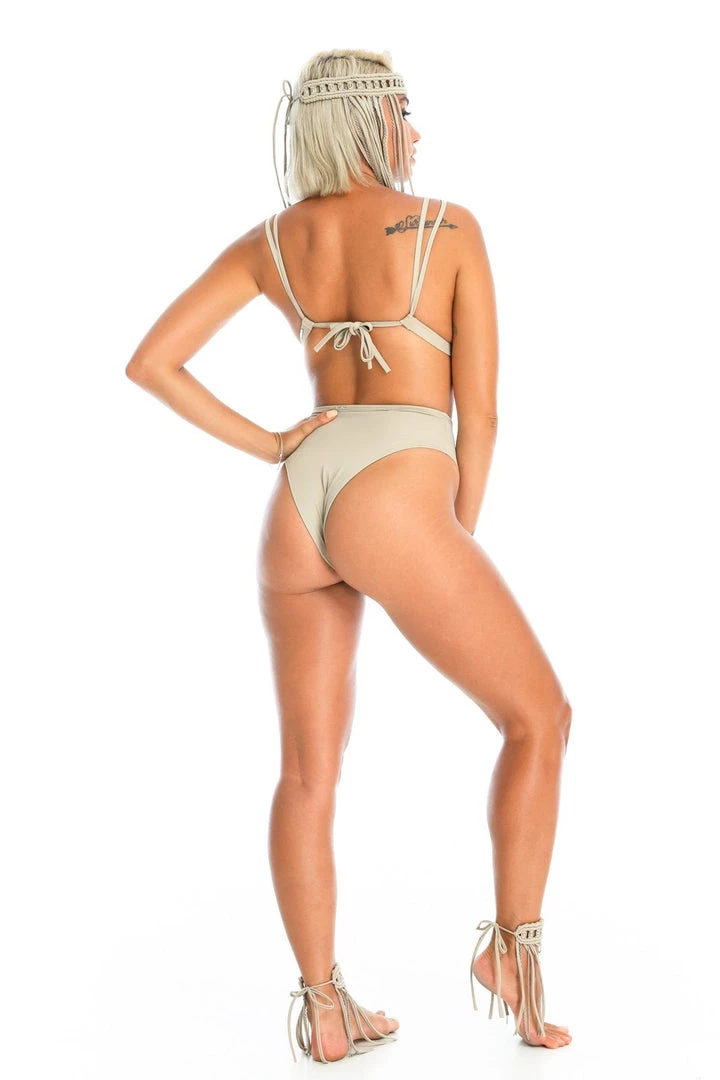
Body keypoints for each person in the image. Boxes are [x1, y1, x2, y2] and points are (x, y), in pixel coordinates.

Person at [125, 48, 573, 1064]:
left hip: (299, 502)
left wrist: (275, 445)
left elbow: (152, 362)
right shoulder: (448, 226)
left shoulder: (276, 240)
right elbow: (480, 414)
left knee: (305, 774)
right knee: (539, 719)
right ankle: (511, 960)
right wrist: (449, 536)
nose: (417, 132)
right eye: (406, 113)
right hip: (396, 496)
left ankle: (325, 1011)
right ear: (373, 119)